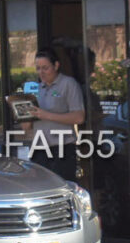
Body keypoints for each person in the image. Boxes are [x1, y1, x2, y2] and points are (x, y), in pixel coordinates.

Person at [19, 48, 84, 181]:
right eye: (38, 68)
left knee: (62, 187)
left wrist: (46, 115)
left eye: (45, 68)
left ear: (56, 65)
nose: (41, 72)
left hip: (62, 148)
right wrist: (23, 113)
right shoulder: (36, 89)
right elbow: (26, 128)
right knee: (41, 188)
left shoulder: (68, 84)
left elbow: (79, 117)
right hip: (39, 149)